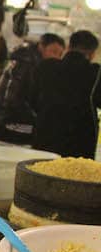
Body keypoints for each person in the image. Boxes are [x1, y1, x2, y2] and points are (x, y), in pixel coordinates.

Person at [30, 30, 100, 158]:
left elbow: (32, 99)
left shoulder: (46, 67)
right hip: (79, 144)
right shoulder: (95, 73)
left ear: (68, 47)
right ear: (92, 53)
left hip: (44, 138)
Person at [0, 33, 65, 144]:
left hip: (2, 121)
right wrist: (36, 119)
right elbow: (12, 99)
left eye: (60, 54)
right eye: (53, 52)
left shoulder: (27, 60)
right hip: (7, 124)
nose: (56, 57)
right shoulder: (26, 64)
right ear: (41, 47)